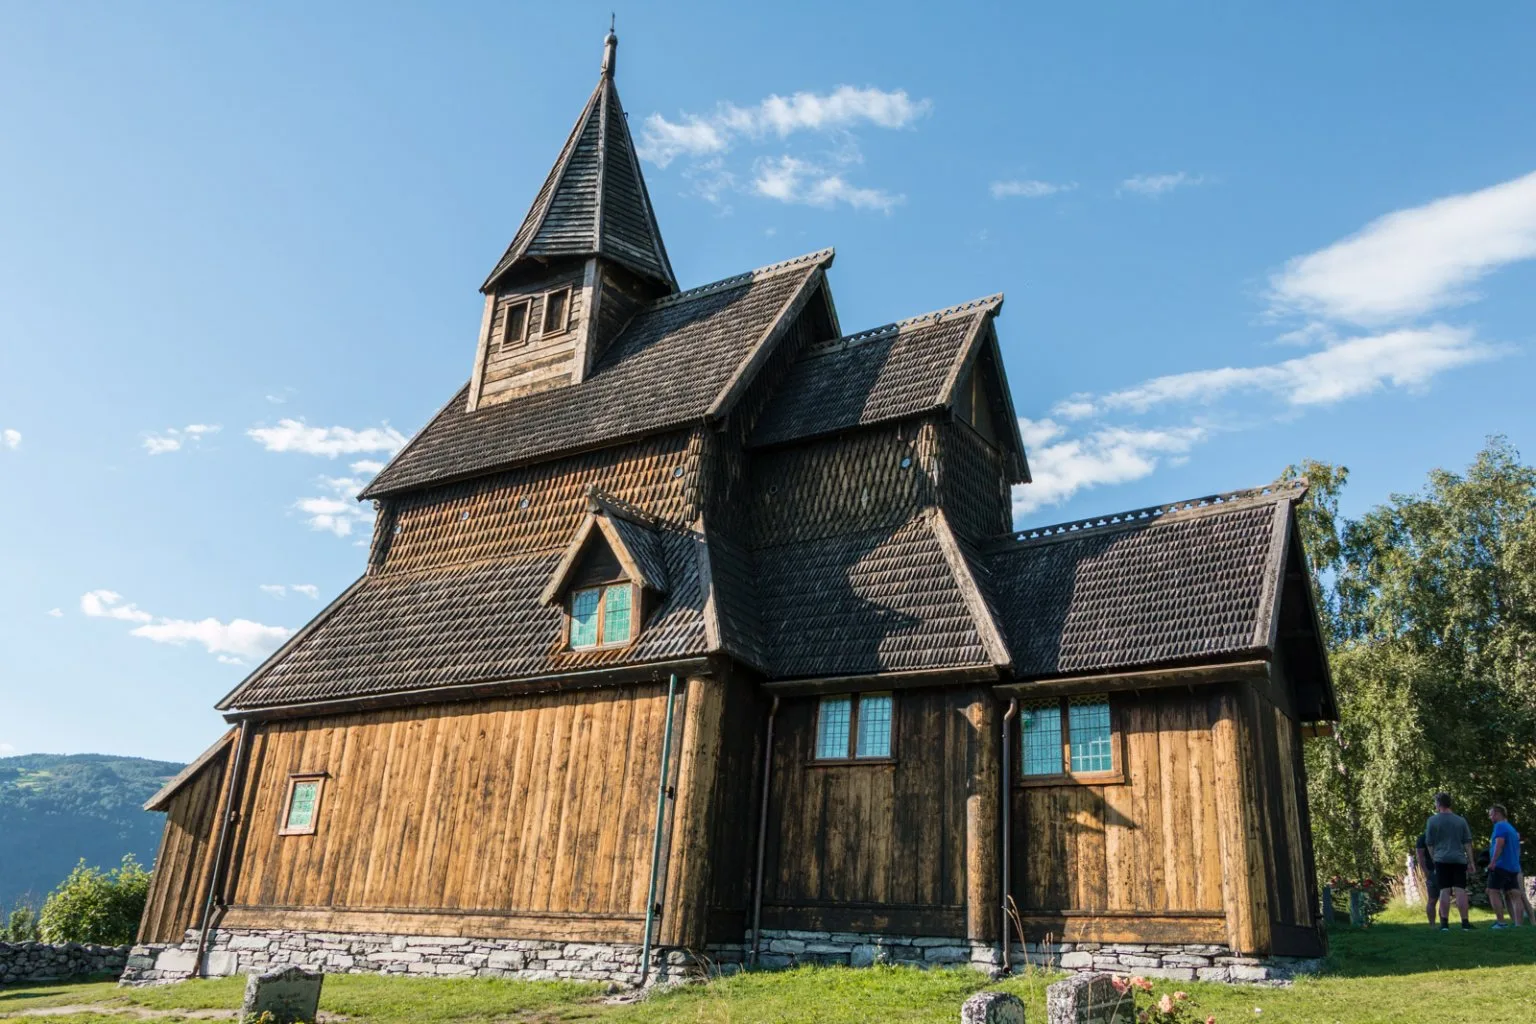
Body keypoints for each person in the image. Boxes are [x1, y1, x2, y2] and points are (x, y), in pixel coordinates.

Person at [1424, 792, 1476, 931]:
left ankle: (1444, 924)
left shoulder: (1432, 821)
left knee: (1444, 890)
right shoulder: (1460, 820)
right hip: (1459, 859)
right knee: (1460, 890)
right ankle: (1465, 922)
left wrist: (1434, 858)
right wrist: (1471, 862)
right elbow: (1467, 842)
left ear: (1439, 804)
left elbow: (1429, 843)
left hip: (1441, 859)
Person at [1486, 805, 1527, 928]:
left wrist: (1493, 862)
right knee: (1515, 894)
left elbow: (1500, 844)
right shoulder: (1511, 828)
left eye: (1491, 814)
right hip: (1513, 866)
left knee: (1492, 891)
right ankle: (1518, 924)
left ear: (1498, 813)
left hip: (1501, 865)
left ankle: (1501, 922)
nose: (1490, 817)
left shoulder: (1500, 826)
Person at [1415, 833, 1440, 925]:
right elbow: (1420, 857)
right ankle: (1432, 924)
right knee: (1432, 899)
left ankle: (1443, 924)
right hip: (1432, 871)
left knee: (1442, 898)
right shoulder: (1423, 838)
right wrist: (1426, 872)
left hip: (1442, 870)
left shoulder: (1443, 835)